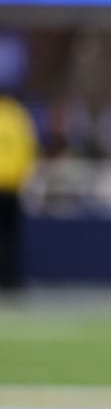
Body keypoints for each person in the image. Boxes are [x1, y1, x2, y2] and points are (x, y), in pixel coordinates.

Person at [0, 89, 37, 291]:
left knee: (9, 237)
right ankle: (11, 280)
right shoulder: (19, 117)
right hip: (13, 186)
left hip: (8, 185)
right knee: (11, 237)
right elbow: (29, 149)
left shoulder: (15, 116)